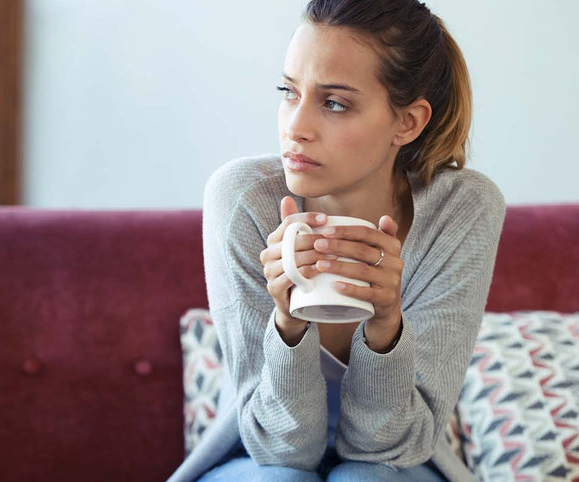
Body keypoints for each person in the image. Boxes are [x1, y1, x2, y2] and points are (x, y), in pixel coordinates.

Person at [168, 0, 506, 480]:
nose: (295, 128)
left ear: (407, 122)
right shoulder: (243, 199)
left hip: (398, 463)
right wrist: (287, 323)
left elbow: (389, 446)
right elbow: (279, 449)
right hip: (257, 460)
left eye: (334, 103)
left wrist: (386, 327)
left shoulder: (462, 209)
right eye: (289, 92)